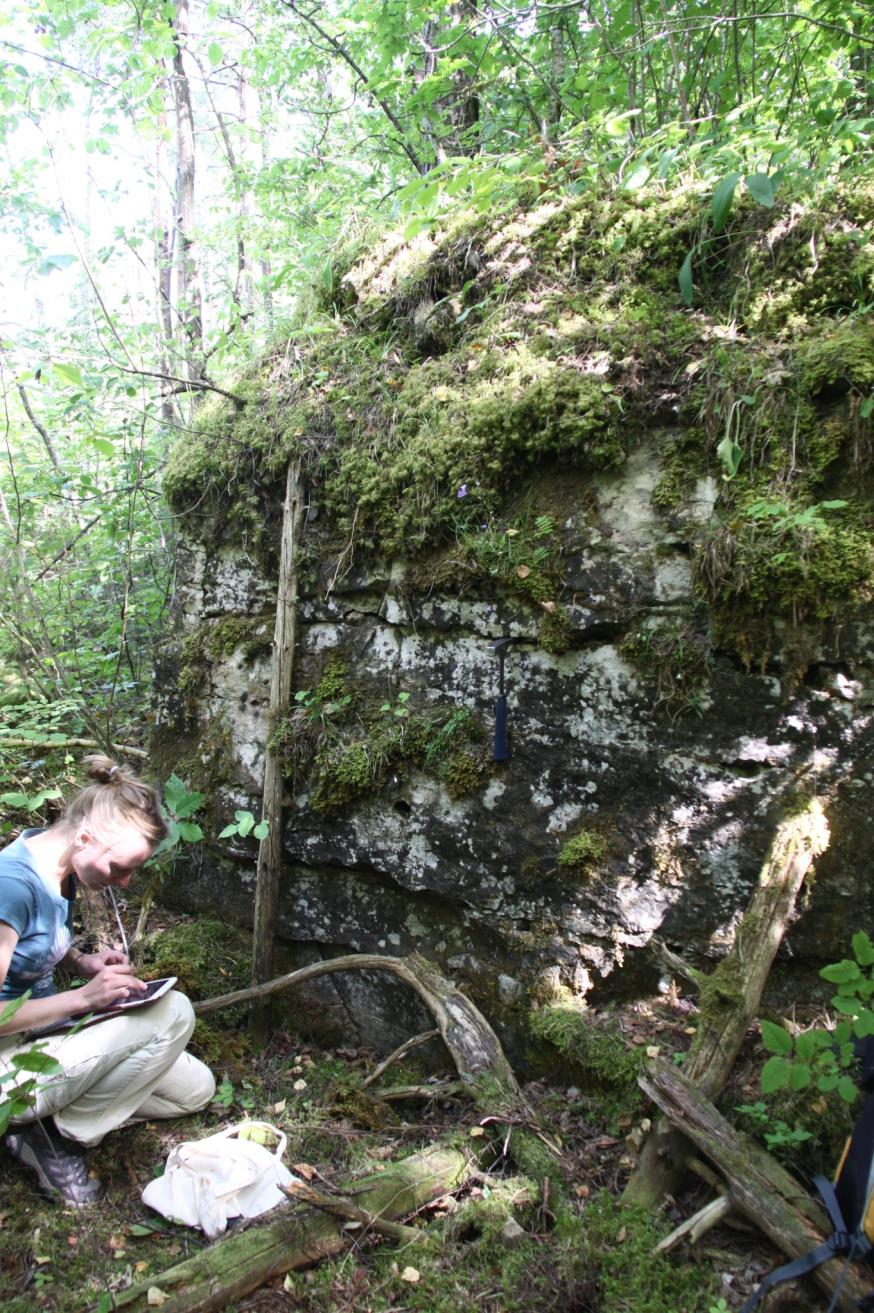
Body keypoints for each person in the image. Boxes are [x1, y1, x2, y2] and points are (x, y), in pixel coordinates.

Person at [0, 754, 215, 1206]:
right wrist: (83, 1000)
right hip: (10, 1062)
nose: (125, 882)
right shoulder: (11, 886)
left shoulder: (58, 866)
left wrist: (82, 962)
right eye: (120, 868)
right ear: (84, 838)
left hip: (43, 1039)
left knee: (195, 1091)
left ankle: (53, 1117)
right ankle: (56, 1136)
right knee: (174, 1014)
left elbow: (31, 950)